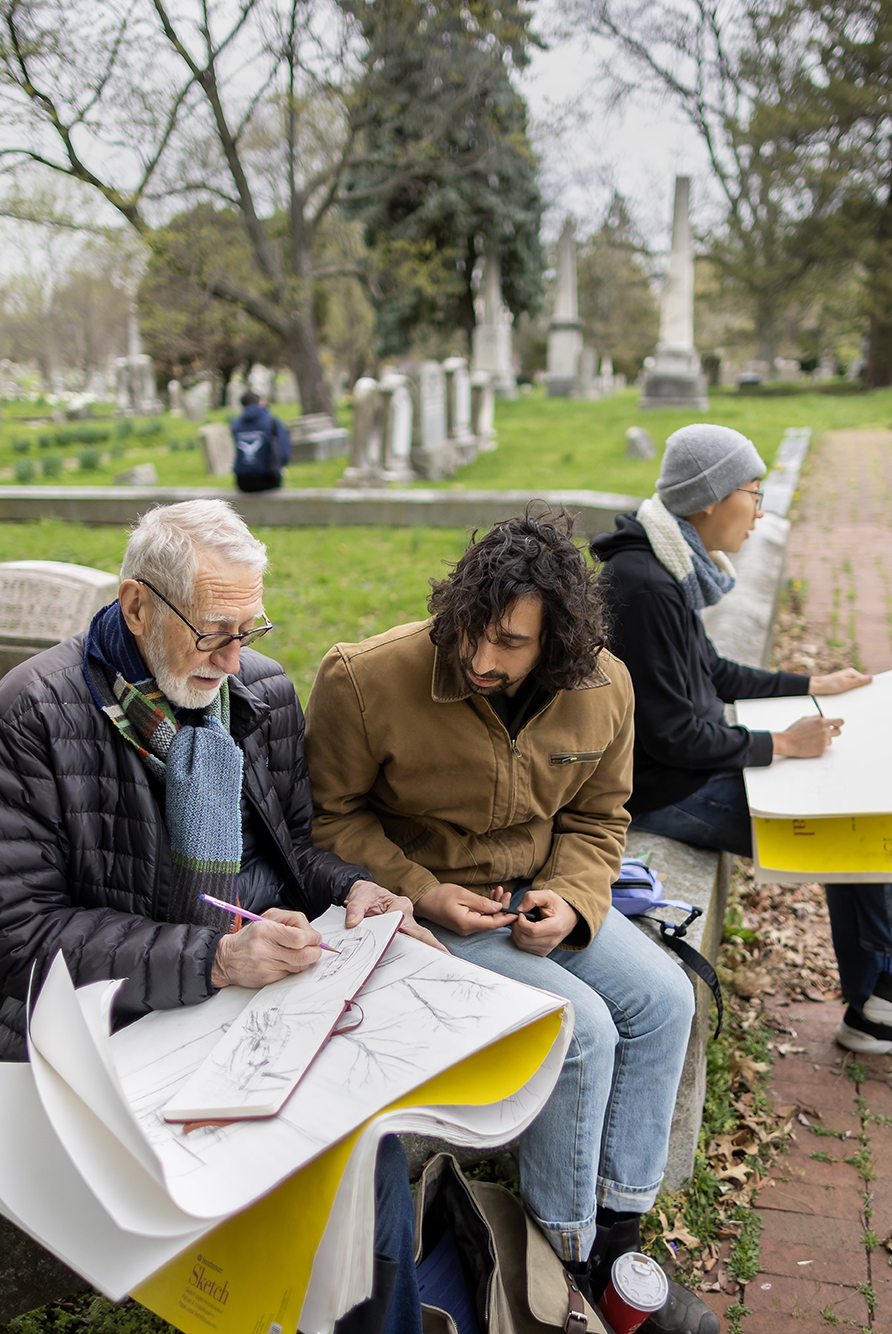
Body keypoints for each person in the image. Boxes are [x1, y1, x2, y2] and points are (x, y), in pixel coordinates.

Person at [0, 499, 434, 1334]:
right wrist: (215, 961)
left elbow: (288, 851)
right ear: (136, 607)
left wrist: (349, 889)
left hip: (245, 988)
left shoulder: (260, 689)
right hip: (92, 1024)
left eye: (251, 627)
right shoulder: (33, 713)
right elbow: (16, 939)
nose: (237, 660)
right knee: (317, 1153)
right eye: (214, 633)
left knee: (362, 1145)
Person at [305, 511, 714, 1334]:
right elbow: (326, 820)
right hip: (428, 917)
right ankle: (560, 1264)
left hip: (537, 898)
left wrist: (571, 898)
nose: (482, 659)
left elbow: (602, 817)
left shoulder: (606, 688)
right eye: (470, 634)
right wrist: (423, 889)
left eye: (511, 644)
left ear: (559, 644)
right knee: (580, 1026)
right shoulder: (364, 679)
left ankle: (619, 1243)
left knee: (668, 999)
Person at [591, 424, 892, 1059]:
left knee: (858, 797)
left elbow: (711, 674)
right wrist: (779, 745)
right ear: (709, 498)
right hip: (658, 791)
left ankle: (884, 997)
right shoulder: (645, 585)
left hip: (682, 770)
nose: (761, 510)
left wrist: (815, 683)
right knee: (860, 816)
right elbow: (672, 735)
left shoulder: (663, 564)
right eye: (753, 494)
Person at [230, 390, 291, 493]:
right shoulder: (271, 421)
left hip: (242, 481)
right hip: (268, 479)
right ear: (261, 402)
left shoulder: (235, 423)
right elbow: (283, 449)